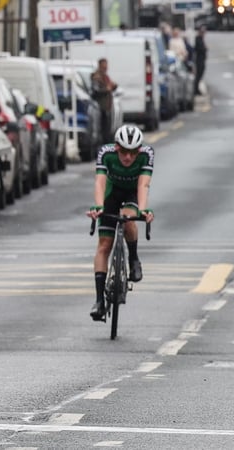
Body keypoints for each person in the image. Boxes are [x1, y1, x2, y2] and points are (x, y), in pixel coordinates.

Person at [86, 125, 155, 321]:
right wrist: (98, 206)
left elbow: (143, 184)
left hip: (133, 192)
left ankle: (133, 258)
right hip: (112, 193)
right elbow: (100, 182)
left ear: (139, 150)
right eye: (124, 151)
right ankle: (99, 301)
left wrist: (143, 210)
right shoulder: (105, 153)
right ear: (116, 147)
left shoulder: (147, 154)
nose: (128, 157)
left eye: (133, 152)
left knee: (127, 217)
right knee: (104, 245)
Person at [91, 58, 118, 144]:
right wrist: (107, 89)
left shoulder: (105, 77)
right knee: (103, 129)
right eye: (104, 66)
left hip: (107, 107)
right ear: (100, 66)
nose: (106, 68)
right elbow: (96, 90)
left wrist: (114, 86)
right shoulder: (97, 77)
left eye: (106, 66)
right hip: (101, 107)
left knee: (108, 129)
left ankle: (107, 144)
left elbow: (110, 86)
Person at [194, 26, 208, 96]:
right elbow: (200, 49)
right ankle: (196, 89)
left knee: (200, 75)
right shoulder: (198, 39)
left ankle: (197, 89)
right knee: (198, 75)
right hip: (199, 60)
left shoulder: (201, 39)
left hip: (202, 59)